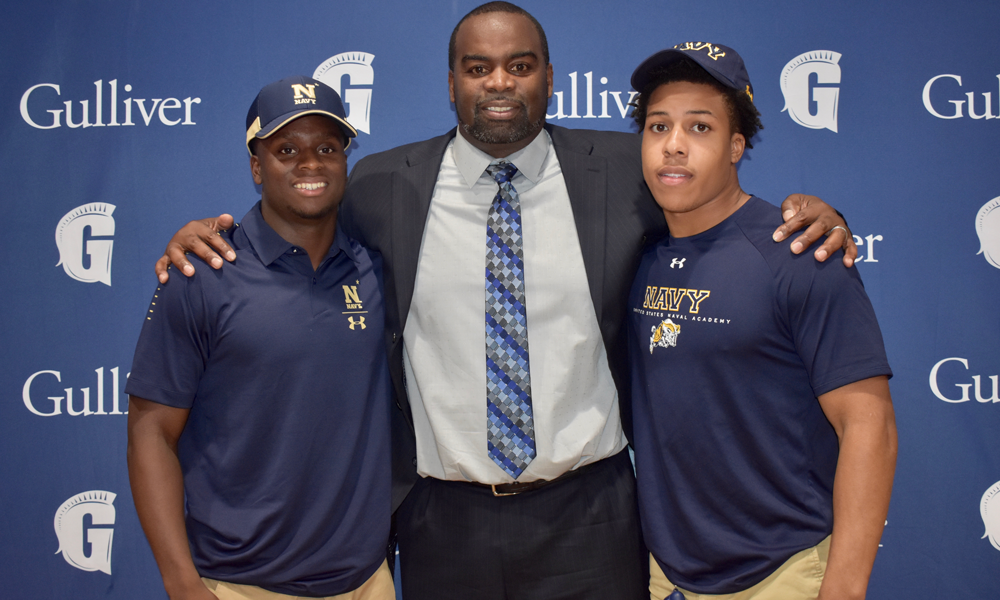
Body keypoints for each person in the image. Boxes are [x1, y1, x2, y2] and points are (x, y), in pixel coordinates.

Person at [154, 4, 856, 599]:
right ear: (452, 80)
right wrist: (206, 237)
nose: (499, 82)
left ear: (549, 78)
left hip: (594, 512)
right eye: (478, 67)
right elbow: (294, 226)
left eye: (520, 66)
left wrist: (814, 213)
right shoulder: (380, 184)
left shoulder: (626, 167)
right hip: (441, 521)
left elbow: (716, 205)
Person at [627, 43, 897, 600]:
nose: (674, 145)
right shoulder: (638, 255)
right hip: (668, 577)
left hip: (782, 574)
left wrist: (843, 589)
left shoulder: (801, 252)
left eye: (699, 127)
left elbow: (870, 426)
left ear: (735, 146)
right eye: (658, 127)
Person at [126, 76, 394, 600]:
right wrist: (182, 582)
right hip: (241, 585)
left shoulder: (376, 267)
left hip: (366, 582)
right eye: (286, 149)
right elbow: (150, 432)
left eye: (326, 148)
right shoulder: (203, 272)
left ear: (345, 160)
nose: (310, 164)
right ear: (256, 166)